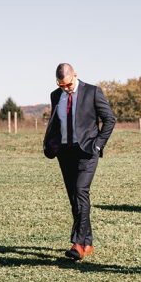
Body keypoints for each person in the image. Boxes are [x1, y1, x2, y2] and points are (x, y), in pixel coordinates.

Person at [42, 63, 116, 259]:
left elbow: (109, 119)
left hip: (87, 151)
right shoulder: (55, 95)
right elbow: (55, 122)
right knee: (74, 198)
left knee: (81, 191)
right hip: (65, 152)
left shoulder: (92, 92)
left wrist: (98, 144)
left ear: (75, 75)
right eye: (61, 85)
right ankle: (88, 241)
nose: (65, 89)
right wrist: (51, 143)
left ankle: (77, 244)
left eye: (67, 84)